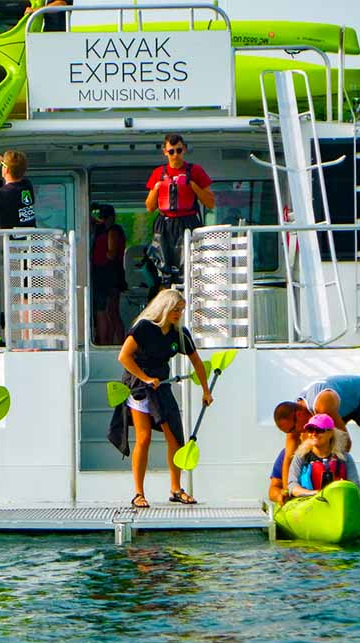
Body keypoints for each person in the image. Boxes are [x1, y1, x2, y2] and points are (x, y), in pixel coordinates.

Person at [107, 289, 212, 508]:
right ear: (164, 307)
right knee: (143, 437)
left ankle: (175, 488)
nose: (178, 314)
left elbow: (197, 363)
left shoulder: (178, 333)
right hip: (138, 385)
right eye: (175, 309)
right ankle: (138, 493)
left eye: (181, 310)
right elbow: (123, 357)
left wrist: (206, 390)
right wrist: (145, 378)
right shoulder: (144, 327)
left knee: (175, 437)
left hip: (161, 386)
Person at [273, 374, 360, 506]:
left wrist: (333, 476)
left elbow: (346, 444)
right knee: (307, 444)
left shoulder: (322, 405)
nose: (294, 433)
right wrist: (288, 493)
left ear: (299, 414)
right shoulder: (293, 419)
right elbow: (289, 458)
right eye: (289, 431)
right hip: (340, 406)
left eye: (293, 429)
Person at [144, 133, 214, 288]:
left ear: (185, 150)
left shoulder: (195, 171)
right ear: (165, 152)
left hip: (188, 221)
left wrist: (192, 185)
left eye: (179, 150)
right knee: (163, 268)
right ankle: (166, 297)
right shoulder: (158, 173)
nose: (175, 155)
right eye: (171, 151)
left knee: (190, 266)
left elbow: (210, 203)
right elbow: (149, 207)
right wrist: (157, 188)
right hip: (165, 223)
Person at [285, 414, 360, 498]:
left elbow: (355, 486)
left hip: (337, 500)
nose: (314, 434)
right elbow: (292, 486)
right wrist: (315, 493)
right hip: (309, 502)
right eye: (310, 430)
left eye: (319, 430)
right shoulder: (301, 456)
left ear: (331, 433)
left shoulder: (345, 457)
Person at [90, 203, 126, 345]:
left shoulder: (113, 230)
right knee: (109, 311)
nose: (104, 220)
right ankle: (111, 342)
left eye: (106, 217)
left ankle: (118, 343)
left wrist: (97, 256)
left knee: (111, 311)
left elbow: (111, 254)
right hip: (107, 275)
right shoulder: (103, 229)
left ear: (112, 217)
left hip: (110, 275)